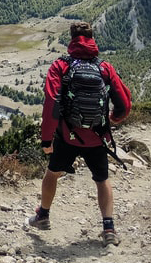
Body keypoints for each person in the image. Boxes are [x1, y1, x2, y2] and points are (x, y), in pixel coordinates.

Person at [27, 21, 132, 247]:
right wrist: (112, 120)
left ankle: (43, 215)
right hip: (97, 137)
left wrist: (47, 139)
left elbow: (51, 104)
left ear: (71, 39)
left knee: (52, 173)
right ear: (92, 39)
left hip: (67, 136)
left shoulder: (60, 67)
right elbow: (124, 103)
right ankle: (109, 228)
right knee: (102, 180)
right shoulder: (105, 67)